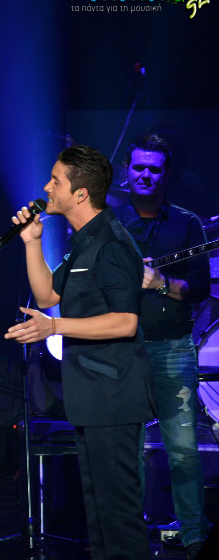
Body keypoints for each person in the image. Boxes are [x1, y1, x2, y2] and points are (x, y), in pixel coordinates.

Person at [5, 145, 156, 560]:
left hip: (114, 397)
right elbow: (47, 295)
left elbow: (125, 322)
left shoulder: (112, 244)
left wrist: (54, 327)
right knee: (100, 513)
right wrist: (31, 242)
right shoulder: (84, 241)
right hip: (91, 396)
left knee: (118, 514)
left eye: (55, 181)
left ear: (80, 194)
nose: (46, 188)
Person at [113, 134, 211, 560]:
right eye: (138, 167)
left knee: (184, 450)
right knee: (128, 450)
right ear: (127, 171)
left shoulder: (187, 224)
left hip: (172, 346)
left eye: (154, 169)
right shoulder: (108, 224)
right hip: (121, 349)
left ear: (166, 175)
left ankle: (194, 536)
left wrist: (161, 283)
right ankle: (129, 535)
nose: (145, 175)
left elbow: (200, 288)